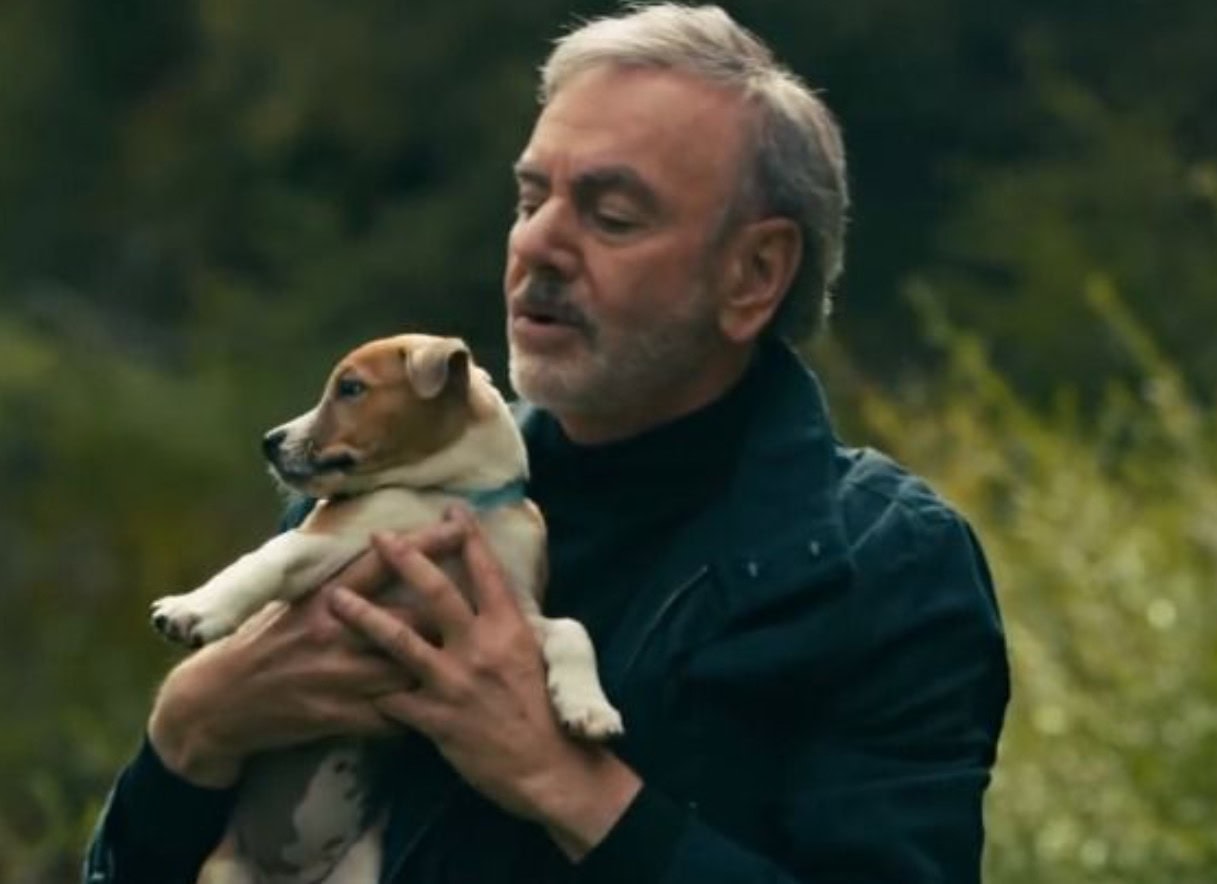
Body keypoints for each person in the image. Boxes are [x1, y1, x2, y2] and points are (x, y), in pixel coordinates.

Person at [84, 4, 1009, 882]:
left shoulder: (885, 573)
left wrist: (564, 785)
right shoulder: (371, 495)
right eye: (531, 200)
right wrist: (190, 731)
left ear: (754, 274)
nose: (539, 246)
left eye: (612, 217)